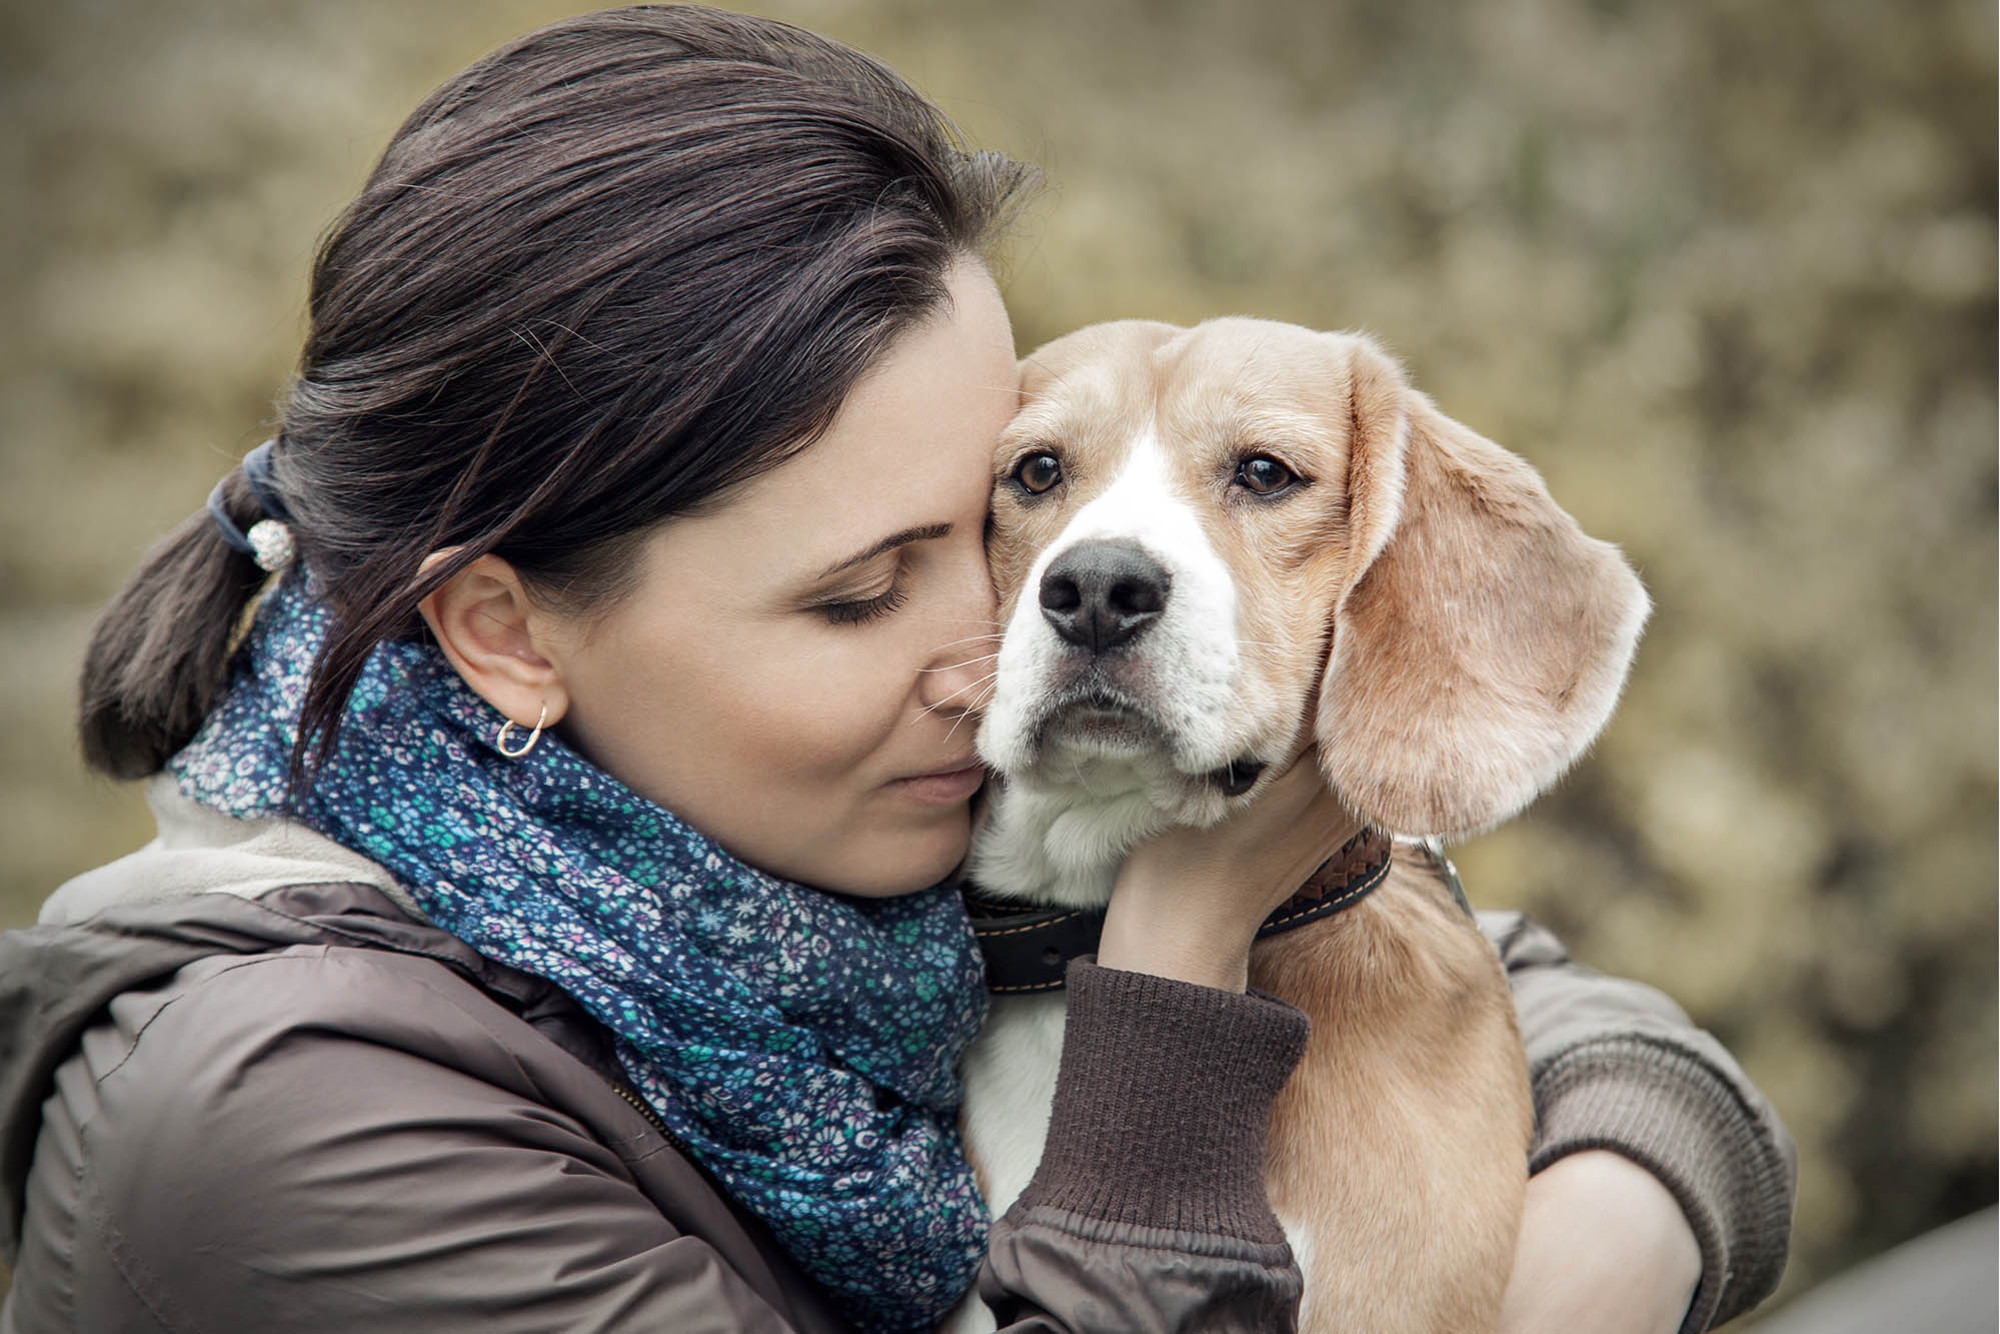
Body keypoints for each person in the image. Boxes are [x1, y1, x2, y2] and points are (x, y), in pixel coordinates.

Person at [0, 7, 1794, 1332]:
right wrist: (1170, 968)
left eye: (983, 527)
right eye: (863, 594)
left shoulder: (798, 841)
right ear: (506, 630)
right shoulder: (298, 1120)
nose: (986, 651)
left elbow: (1511, 985)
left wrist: (1604, 1235)